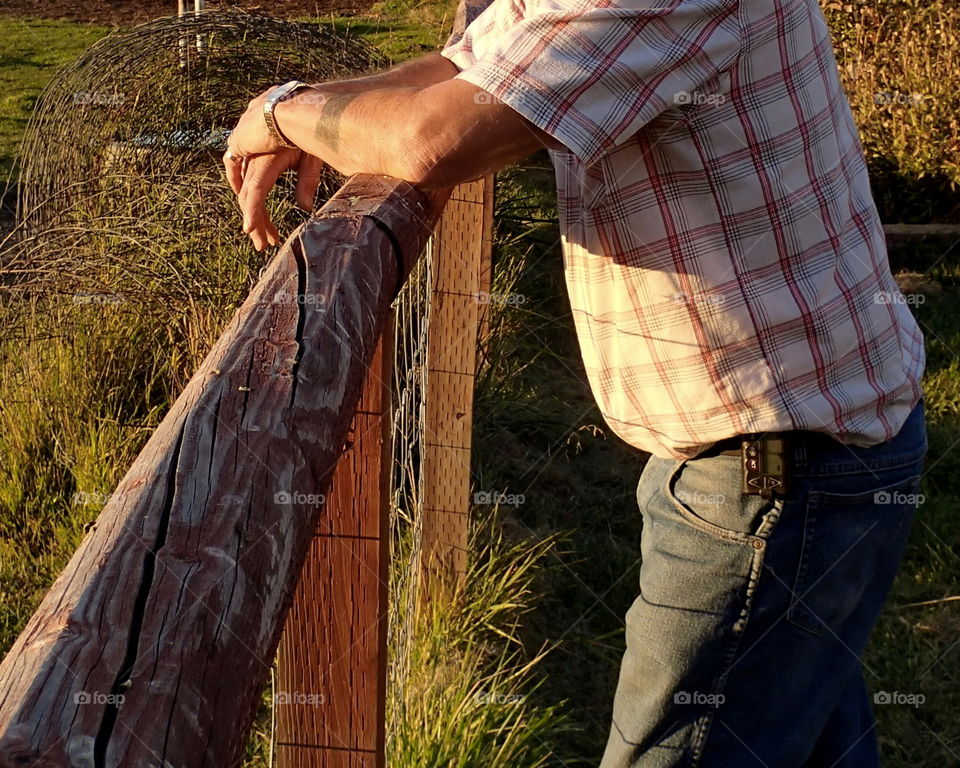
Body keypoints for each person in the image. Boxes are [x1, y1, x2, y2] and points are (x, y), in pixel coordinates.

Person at [224, 0, 928, 764]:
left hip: (776, 470)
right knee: (794, 722)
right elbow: (462, 67)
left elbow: (433, 139)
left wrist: (283, 111)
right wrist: (310, 108)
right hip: (798, 443)